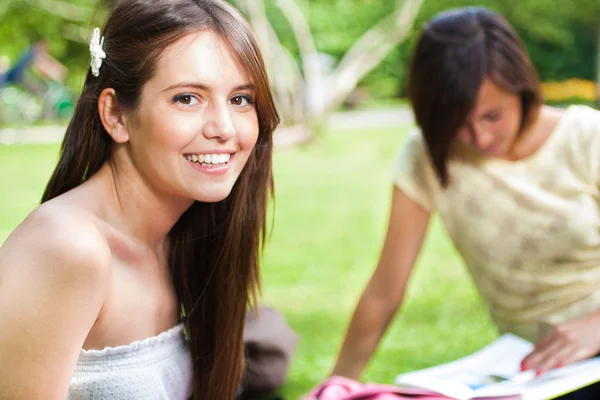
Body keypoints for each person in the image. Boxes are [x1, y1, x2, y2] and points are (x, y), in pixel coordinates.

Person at [0, 0, 279, 399]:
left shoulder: (183, 237)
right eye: (187, 98)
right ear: (115, 114)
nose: (223, 128)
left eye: (240, 99)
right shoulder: (67, 248)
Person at [328, 6, 600, 399]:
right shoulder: (428, 155)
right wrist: (337, 386)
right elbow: (384, 292)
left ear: (521, 88)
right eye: (459, 122)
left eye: (493, 115)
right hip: (531, 370)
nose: (480, 137)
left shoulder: (586, 138)